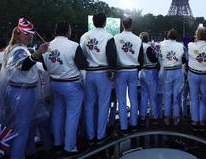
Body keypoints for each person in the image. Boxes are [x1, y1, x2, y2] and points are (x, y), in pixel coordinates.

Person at [1, 18, 49, 159]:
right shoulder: (18, 50)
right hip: (22, 93)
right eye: (27, 33)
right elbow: (23, 66)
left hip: (18, 92)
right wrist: (39, 53)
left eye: (31, 34)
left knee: (20, 128)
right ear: (18, 34)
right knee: (21, 130)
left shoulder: (15, 49)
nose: (31, 36)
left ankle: (22, 153)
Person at [43, 21, 87, 156]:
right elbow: (82, 65)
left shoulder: (46, 46)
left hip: (55, 84)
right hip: (71, 84)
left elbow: (45, 67)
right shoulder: (73, 46)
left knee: (57, 114)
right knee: (72, 116)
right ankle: (70, 147)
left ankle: (58, 144)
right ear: (68, 31)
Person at [80, 13, 117, 143]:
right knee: (103, 105)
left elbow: (82, 55)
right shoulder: (108, 36)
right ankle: (100, 135)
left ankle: (90, 136)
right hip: (103, 73)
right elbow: (111, 56)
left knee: (89, 105)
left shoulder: (84, 36)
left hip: (89, 73)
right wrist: (112, 70)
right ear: (105, 22)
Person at [113, 18, 143, 135]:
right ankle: (134, 124)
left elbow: (113, 55)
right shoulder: (138, 39)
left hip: (121, 71)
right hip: (133, 70)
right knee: (133, 98)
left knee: (122, 100)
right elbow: (141, 58)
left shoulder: (116, 38)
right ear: (132, 25)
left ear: (122, 25)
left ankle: (123, 126)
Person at [187, 27, 206, 131]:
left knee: (194, 98)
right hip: (205, 75)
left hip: (193, 74)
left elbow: (189, 41)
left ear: (196, 35)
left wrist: (196, 37)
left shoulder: (191, 45)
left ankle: (194, 121)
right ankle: (202, 121)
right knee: (204, 98)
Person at [159, 29, 185, 126]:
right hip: (177, 70)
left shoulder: (161, 44)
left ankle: (167, 117)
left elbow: (158, 57)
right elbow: (184, 59)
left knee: (167, 95)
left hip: (166, 71)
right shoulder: (180, 45)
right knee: (177, 96)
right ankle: (176, 118)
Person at [138, 32, 158, 126]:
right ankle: (154, 117)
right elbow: (154, 59)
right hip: (150, 72)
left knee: (144, 96)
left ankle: (142, 117)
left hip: (142, 71)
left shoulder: (138, 46)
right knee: (152, 97)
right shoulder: (148, 47)